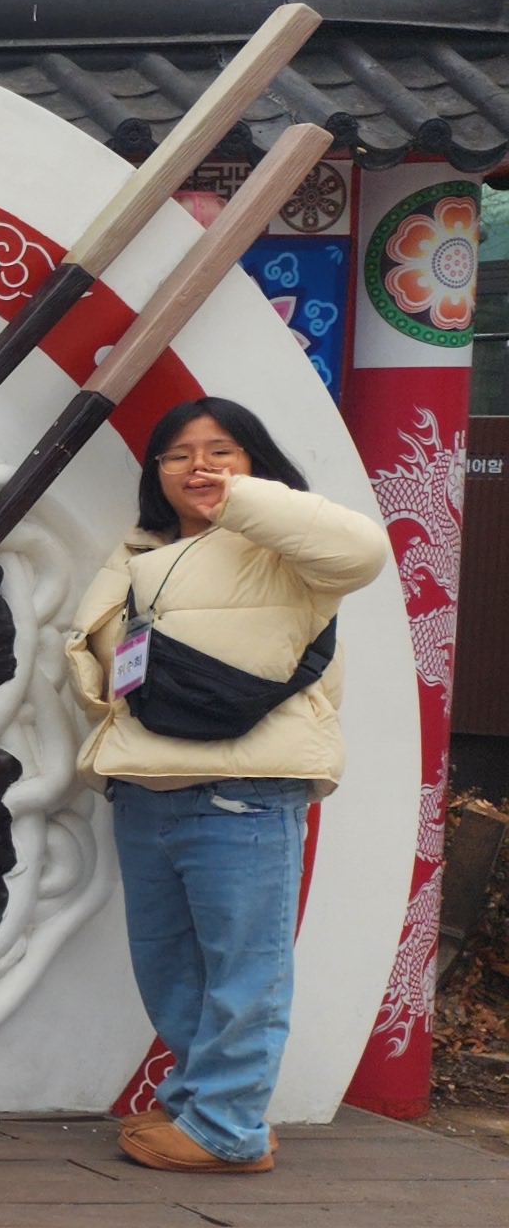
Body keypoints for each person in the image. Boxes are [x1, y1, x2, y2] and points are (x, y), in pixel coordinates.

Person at [67, 394, 389, 1173]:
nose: (199, 467)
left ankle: (228, 1128)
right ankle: (200, 1104)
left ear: (255, 465)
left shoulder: (285, 549)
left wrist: (241, 501)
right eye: (178, 454)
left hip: (245, 789)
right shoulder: (139, 550)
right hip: (145, 784)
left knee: (245, 968)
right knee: (171, 969)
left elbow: (364, 551)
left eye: (221, 452)